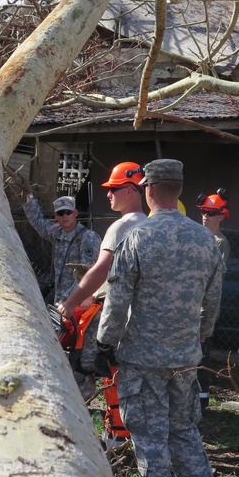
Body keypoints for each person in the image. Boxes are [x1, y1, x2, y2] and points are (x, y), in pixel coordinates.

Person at [96, 159, 225, 477]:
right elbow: (213, 300)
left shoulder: (137, 237)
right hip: (185, 356)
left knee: (149, 437)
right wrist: (202, 335)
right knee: (184, 430)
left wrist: (105, 342)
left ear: (148, 189)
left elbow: (117, 299)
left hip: (142, 358)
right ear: (180, 189)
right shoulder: (206, 240)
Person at [57, 162, 146, 418]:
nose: (108, 194)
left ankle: (69, 421)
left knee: (81, 367)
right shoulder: (150, 226)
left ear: (129, 190)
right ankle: (118, 428)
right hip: (137, 320)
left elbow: (101, 270)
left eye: (113, 189)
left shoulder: (121, 226)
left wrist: (70, 302)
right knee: (120, 376)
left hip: (111, 314)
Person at [22, 192, 101, 304]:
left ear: (75, 213)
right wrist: (30, 198)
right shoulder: (57, 233)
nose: (65, 216)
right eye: (61, 213)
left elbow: (87, 273)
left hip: (80, 299)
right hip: (61, 298)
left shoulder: (88, 237)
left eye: (68, 212)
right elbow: (39, 223)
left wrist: (68, 299)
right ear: (56, 216)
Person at [196, 189, 231, 409]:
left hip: (204, 309)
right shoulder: (199, 238)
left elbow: (213, 278)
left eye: (211, 213)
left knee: (201, 356)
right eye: (203, 212)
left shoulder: (220, 242)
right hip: (191, 306)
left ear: (221, 216)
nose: (205, 216)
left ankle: (201, 402)